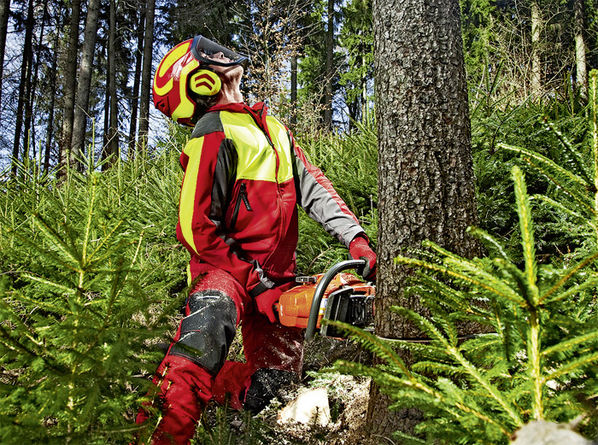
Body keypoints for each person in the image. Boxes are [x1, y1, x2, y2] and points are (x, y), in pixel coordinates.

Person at [135, 35, 377, 444]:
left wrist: (355, 238)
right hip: (224, 274)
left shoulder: (273, 128)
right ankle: (160, 427)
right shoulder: (212, 131)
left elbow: (313, 187)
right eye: (209, 56)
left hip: (276, 278)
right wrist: (255, 283)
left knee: (276, 386)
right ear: (197, 80)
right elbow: (196, 229)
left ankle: (208, 389)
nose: (221, 56)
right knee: (203, 342)